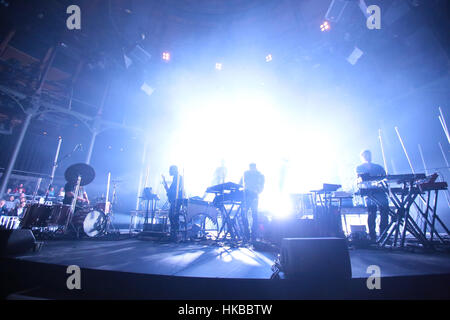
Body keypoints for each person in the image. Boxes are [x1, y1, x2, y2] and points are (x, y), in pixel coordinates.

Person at [356, 149, 389, 241]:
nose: (367, 157)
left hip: (380, 192)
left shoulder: (378, 167)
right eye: (365, 155)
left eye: (369, 155)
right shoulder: (359, 167)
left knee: (385, 212)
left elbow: (385, 177)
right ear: (362, 157)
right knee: (372, 214)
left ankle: (383, 234)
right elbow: (360, 179)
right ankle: (372, 236)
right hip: (369, 193)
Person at [240, 163, 265, 242]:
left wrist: (257, 191)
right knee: (243, 214)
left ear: (255, 167)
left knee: (254, 215)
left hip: (254, 195)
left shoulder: (259, 175)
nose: (251, 169)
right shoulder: (246, 173)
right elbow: (240, 183)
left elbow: (262, 185)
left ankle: (253, 234)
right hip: (246, 195)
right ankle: (247, 233)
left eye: (252, 168)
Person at [162, 165, 184, 241]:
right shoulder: (176, 178)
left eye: (170, 170)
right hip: (175, 199)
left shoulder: (178, 178)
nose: (169, 172)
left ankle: (176, 235)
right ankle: (174, 234)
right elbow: (172, 190)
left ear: (174, 170)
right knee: (173, 216)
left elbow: (175, 190)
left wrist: (169, 191)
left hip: (177, 200)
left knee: (173, 216)